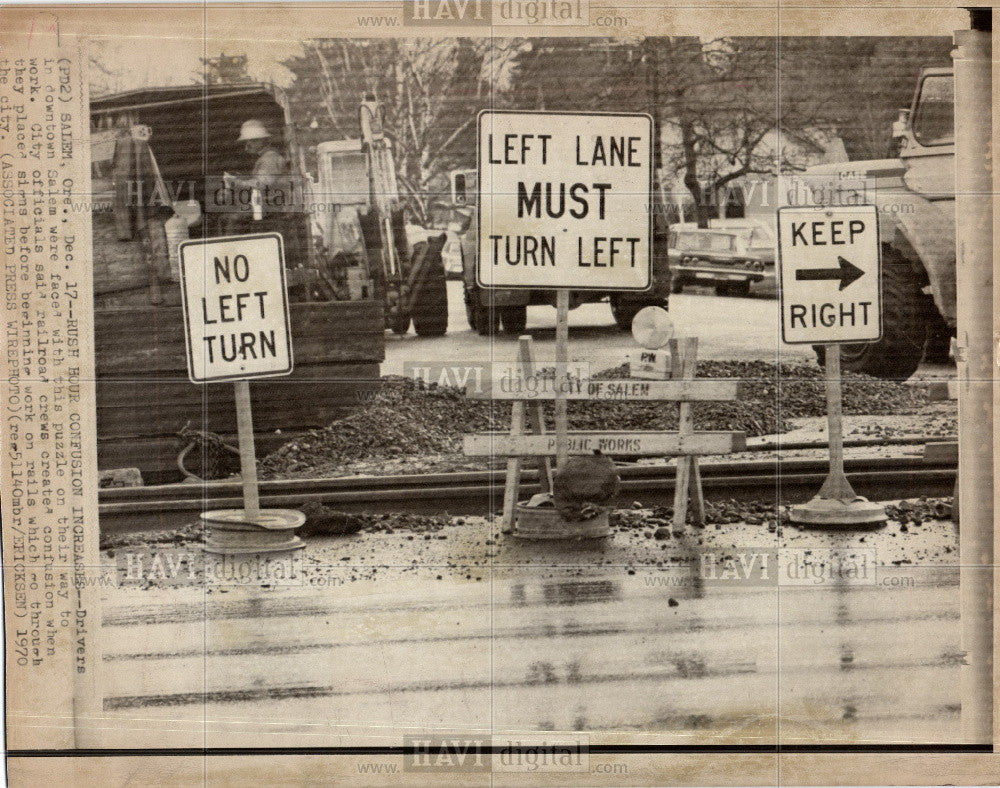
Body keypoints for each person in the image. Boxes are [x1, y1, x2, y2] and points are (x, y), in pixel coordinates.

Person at [221, 119, 289, 233]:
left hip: (273, 207)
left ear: (263, 141)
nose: (248, 145)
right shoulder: (265, 158)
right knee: (228, 217)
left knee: (232, 219)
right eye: (247, 142)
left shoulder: (269, 159)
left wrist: (236, 182)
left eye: (253, 141)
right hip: (266, 204)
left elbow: (262, 184)